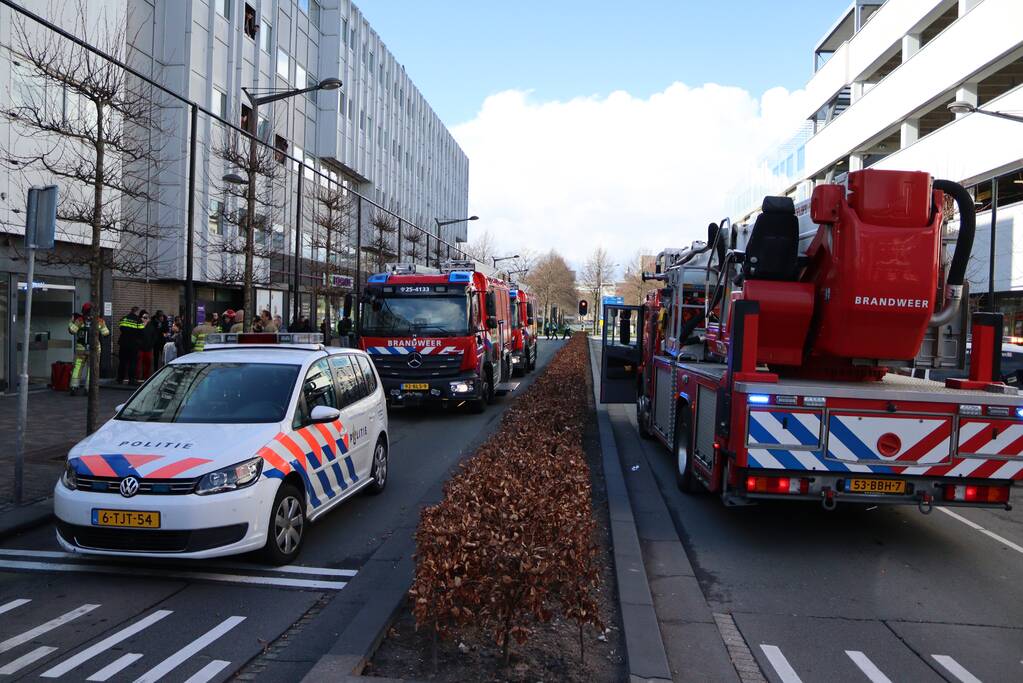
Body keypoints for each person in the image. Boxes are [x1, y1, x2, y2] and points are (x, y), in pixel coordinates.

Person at [68, 302, 109, 395]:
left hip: (81, 349)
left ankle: (74, 387)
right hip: (94, 349)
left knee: (77, 367)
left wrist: (70, 322)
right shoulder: (99, 321)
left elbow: (72, 330)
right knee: (92, 369)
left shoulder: (80, 320)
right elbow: (106, 333)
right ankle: (88, 389)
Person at [117, 306, 143, 384]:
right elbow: (141, 332)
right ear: (137, 312)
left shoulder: (123, 319)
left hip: (123, 344)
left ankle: (120, 378)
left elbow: (121, 328)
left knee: (122, 361)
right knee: (132, 362)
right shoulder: (138, 320)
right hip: (133, 344)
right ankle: (131, 380)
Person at [136, 310, 159, 380]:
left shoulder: (151, 326)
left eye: (147, 317)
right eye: (144, 317)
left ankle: (146, 377)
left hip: (148, 348)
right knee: (138, 364)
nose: (146, 319)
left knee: (147, 364)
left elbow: (154, 337)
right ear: (141, 318)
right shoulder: (138, 325)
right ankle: (137, 377)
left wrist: (151, 345)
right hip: (140, 348)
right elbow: (136, 335)